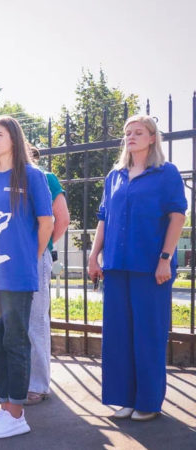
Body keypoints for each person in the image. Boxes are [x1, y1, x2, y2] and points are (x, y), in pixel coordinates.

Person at [88, 115, 186, 422]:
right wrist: (94, 256)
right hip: (116, 266)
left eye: (138, 132)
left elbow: (177, 216)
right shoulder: (114, 176)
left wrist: (165, 258)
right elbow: (104, 218)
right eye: (128, 132)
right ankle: (124, 399)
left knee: (148, 334)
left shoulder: (166, 173)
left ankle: (148, 402)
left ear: (152, 138)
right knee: (118, 335)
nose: (131, 136)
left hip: (150, 267)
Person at [0, 116, 53, 439]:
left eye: (0, 135)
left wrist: (29, 258)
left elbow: (46, 223)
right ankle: (5, 406)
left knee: (16, 340)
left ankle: (17, 413)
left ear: (14, 139)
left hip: (17, 274)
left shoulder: (32, 176)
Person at [5, 147, 69, 405]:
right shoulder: (3, 179)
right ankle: (16, 383)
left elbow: (60, 220)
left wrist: (39, 248)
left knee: (35, 320)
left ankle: (37, 385)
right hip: (7, 260)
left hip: (33, 257)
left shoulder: (46, 177)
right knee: (11, 324)